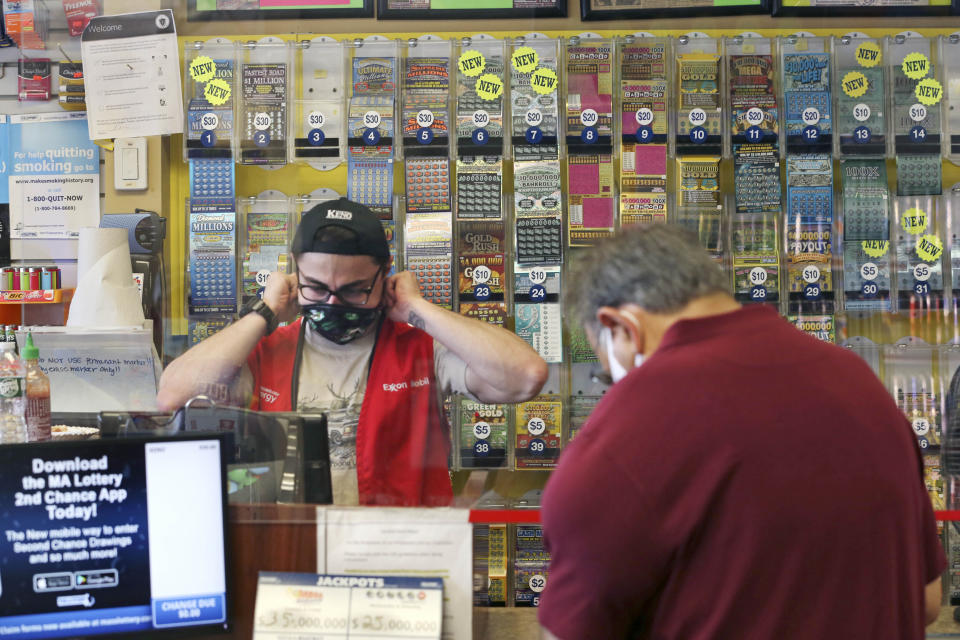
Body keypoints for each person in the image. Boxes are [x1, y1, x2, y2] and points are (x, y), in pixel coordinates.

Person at [538, 224, 945, 639]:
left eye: (608, 370)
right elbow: (927, 599)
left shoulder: (625, 432)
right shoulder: (859, 384)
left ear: (621, 328)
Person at [158, 197, 547, 506]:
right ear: (294, 272)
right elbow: (173, 397)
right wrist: (266, 311)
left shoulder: (421, 350)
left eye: (353, 289)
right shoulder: (264, 351)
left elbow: (525, 376)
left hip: (403, 560)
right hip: (292, 556)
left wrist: (418, 309)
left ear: (385, 274)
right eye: (316, 287)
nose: (333, 302)